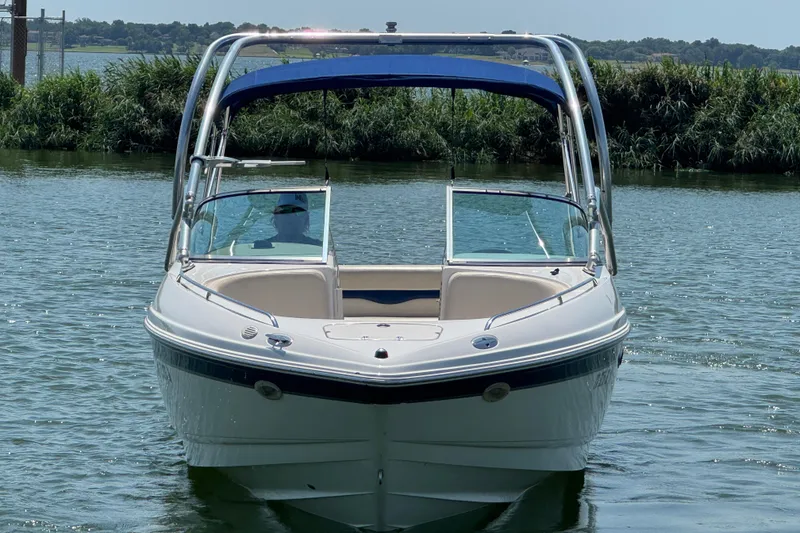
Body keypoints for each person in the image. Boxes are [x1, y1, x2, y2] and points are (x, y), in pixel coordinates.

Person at [254, 192, 323, 247]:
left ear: (306, 219)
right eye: (285, 211)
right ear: (276, 217)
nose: (292, 217)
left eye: (298, 212)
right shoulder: (261, 248)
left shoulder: (319, 249)